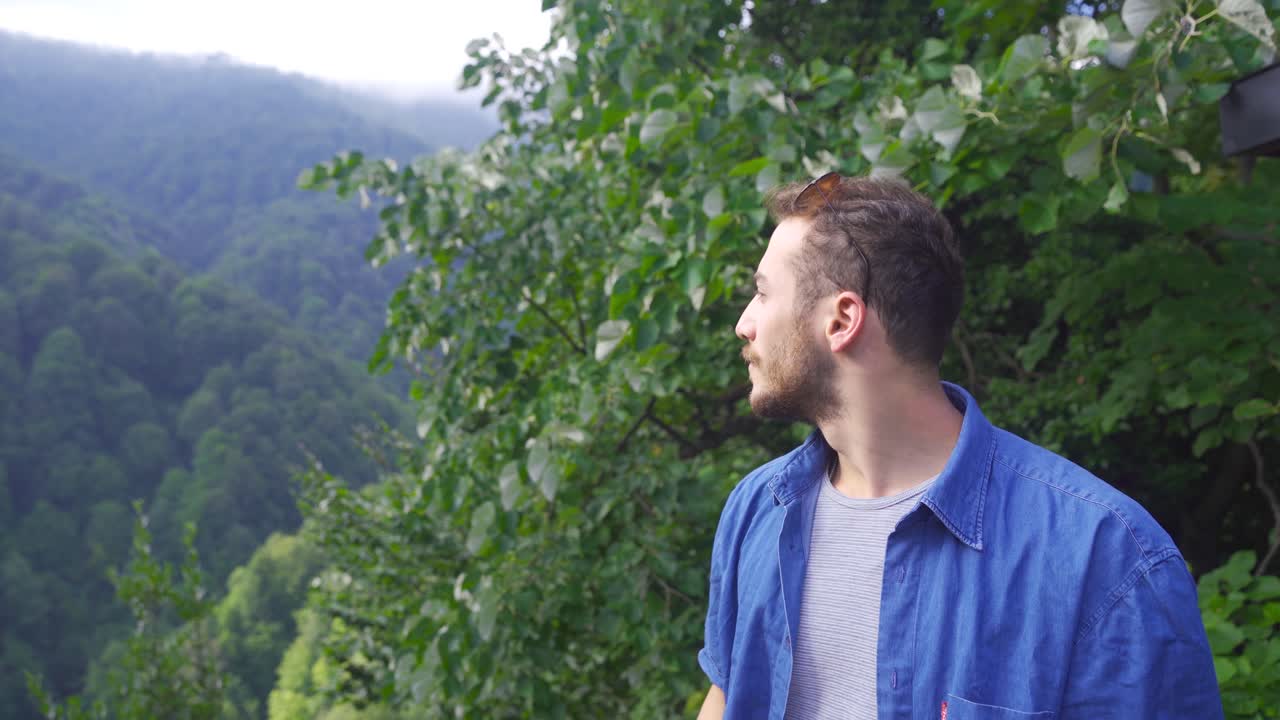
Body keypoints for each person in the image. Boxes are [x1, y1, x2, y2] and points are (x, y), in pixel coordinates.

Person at [695, 173, 1222, 720]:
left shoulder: (1105, 558)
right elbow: (727, 697)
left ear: (843, 320)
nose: (744, 324)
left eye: (761, 293)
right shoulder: (757, 509)